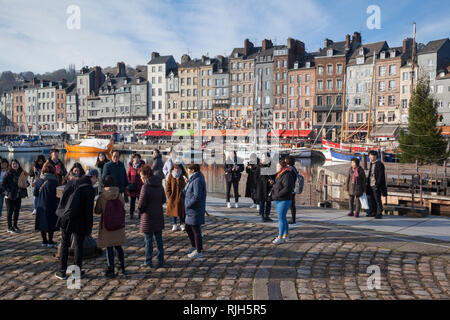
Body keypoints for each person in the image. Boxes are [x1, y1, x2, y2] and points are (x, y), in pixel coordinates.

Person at [55, 169, 97, 280]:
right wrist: (89, 227)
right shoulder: (89, 189)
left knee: (64, 243)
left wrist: (60, 215)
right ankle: (76, 272)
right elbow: (89, 211)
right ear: (93, 177)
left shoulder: (72, 182)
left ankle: (62, 271)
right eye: (96, 179)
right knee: (78, 246)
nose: (96, 181)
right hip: (80, 221)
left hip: (66, 217)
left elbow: (63, 201)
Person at [94, 175, 126, 278]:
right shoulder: (119, 194)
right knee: (118, 246)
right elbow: (123, 205)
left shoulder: (102, 196)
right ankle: (121, 266)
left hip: (107, 225)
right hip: (118, 225)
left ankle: (110, 268)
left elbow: (97, 211)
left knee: (109, 247)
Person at [138, 165, 167, 269]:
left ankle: (148, 261)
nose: (141, 179)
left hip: (148, 217)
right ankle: (160, 260)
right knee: (159, 239)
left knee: (148, 240)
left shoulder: (145, 186)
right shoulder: (159, 184)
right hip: (158, 215)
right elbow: (164, 199)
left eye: (141, 176)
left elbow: (141, 204)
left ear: (146, 176)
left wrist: (140, 211)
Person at [184, 163, 207, 259]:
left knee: (196, 230)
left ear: (193, 170)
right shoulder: (193, 178)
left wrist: (188, 204)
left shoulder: (197, 180)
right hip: (191, 210)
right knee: (188, 227)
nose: (187, 170)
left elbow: (197, 196)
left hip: (195, 209)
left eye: (188, 169)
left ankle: (199, 251)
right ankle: (194, 246)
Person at [34, 162, 59, 248]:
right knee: (51, 224)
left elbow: (35, 193)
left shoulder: (39, 181)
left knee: (42, 223)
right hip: (51, 205)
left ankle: (44, 241)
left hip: (40, 205)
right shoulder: (54, 181)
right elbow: (57, 195)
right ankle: (50, 241)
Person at [271, 160, 295, 245]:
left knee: (280, 219)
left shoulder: (286, 175)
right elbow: (280, 185)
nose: (276, 168)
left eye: (278, 166)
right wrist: (274, 184)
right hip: (280, 199)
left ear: (282, 167)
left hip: (283, 199)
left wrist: (277, 195)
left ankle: (280, 237)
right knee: (283, 218)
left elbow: (287, 188)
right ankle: (286, 235)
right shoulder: (281, 174)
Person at [1, 159, 28, 233]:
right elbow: (2, 185)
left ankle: (15, 226)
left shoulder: (22, 173)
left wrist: (26, 184)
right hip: (10, 196)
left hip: (18, 195)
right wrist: (7, 192)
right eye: (13, 164)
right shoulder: (8, 173)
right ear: (11, 165)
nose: (15, 165)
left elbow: (27, 182)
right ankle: (9, 227)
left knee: (17, 211)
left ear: (18, 165)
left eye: (16, 164)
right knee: (10, 212)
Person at [366, 151, 387, 219]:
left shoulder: (379, 164)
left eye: (372, 155)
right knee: (372, 199)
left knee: (377, 199)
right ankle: (373, 212)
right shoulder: (371, 163)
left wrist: (377, 184)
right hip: (370, 184)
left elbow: (381, 175)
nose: (371, 157)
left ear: (375, 156)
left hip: (376, 185)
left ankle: (379, 213)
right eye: (370, 155)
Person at [166, 164, 187, 232]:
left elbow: (187, 186)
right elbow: (168, 186)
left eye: (178, 168)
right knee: (173, 211)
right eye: (175, 168)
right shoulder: (170, 176)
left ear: (181, 169)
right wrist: (169, 195)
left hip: (181, 196)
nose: (176, 170)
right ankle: (174, 224)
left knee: (182, 211)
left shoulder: (183, 176)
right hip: (173, 196)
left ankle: (182, 224)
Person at [256, 153, 275, 222]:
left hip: (269, 187)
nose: (263, 158)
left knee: (269, 201)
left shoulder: (272, 165)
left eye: (265, 157)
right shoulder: (259, 166)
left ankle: (267, 215)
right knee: (262, 201)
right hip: (261, 186)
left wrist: (273, 180)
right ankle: (262, 215)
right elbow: (256, 177)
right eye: (262, 157)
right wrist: (267, 180)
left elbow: (274, 175)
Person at [127, 153, 145, 219]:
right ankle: (131, 213)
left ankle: (140, 213)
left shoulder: (142, 166)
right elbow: (128, 176)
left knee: (140, 201)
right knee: (132, 201)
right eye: (134, 158)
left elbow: (145, 176)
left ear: (139, 158)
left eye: (137, 158)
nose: (136, 159)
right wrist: (130, 183)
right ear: (133, 159)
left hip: (140, 187)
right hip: (133, 186)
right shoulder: (130, 167)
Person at [285, 156, 299, 224]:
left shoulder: (289, 169)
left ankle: (293, 219)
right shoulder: (294, 168)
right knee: (292, 205)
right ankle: (293, 219)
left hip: (291, 189)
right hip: (293, 188)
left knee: (290, 204)